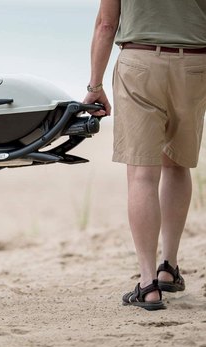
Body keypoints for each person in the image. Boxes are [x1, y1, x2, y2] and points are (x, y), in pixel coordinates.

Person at [84, 0, 206, 310]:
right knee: (178, 165)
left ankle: (148, 283)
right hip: (194, 63)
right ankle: (169, 266)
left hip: (139, 62)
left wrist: (95, 84)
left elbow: (106, 25)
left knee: (142, 174)